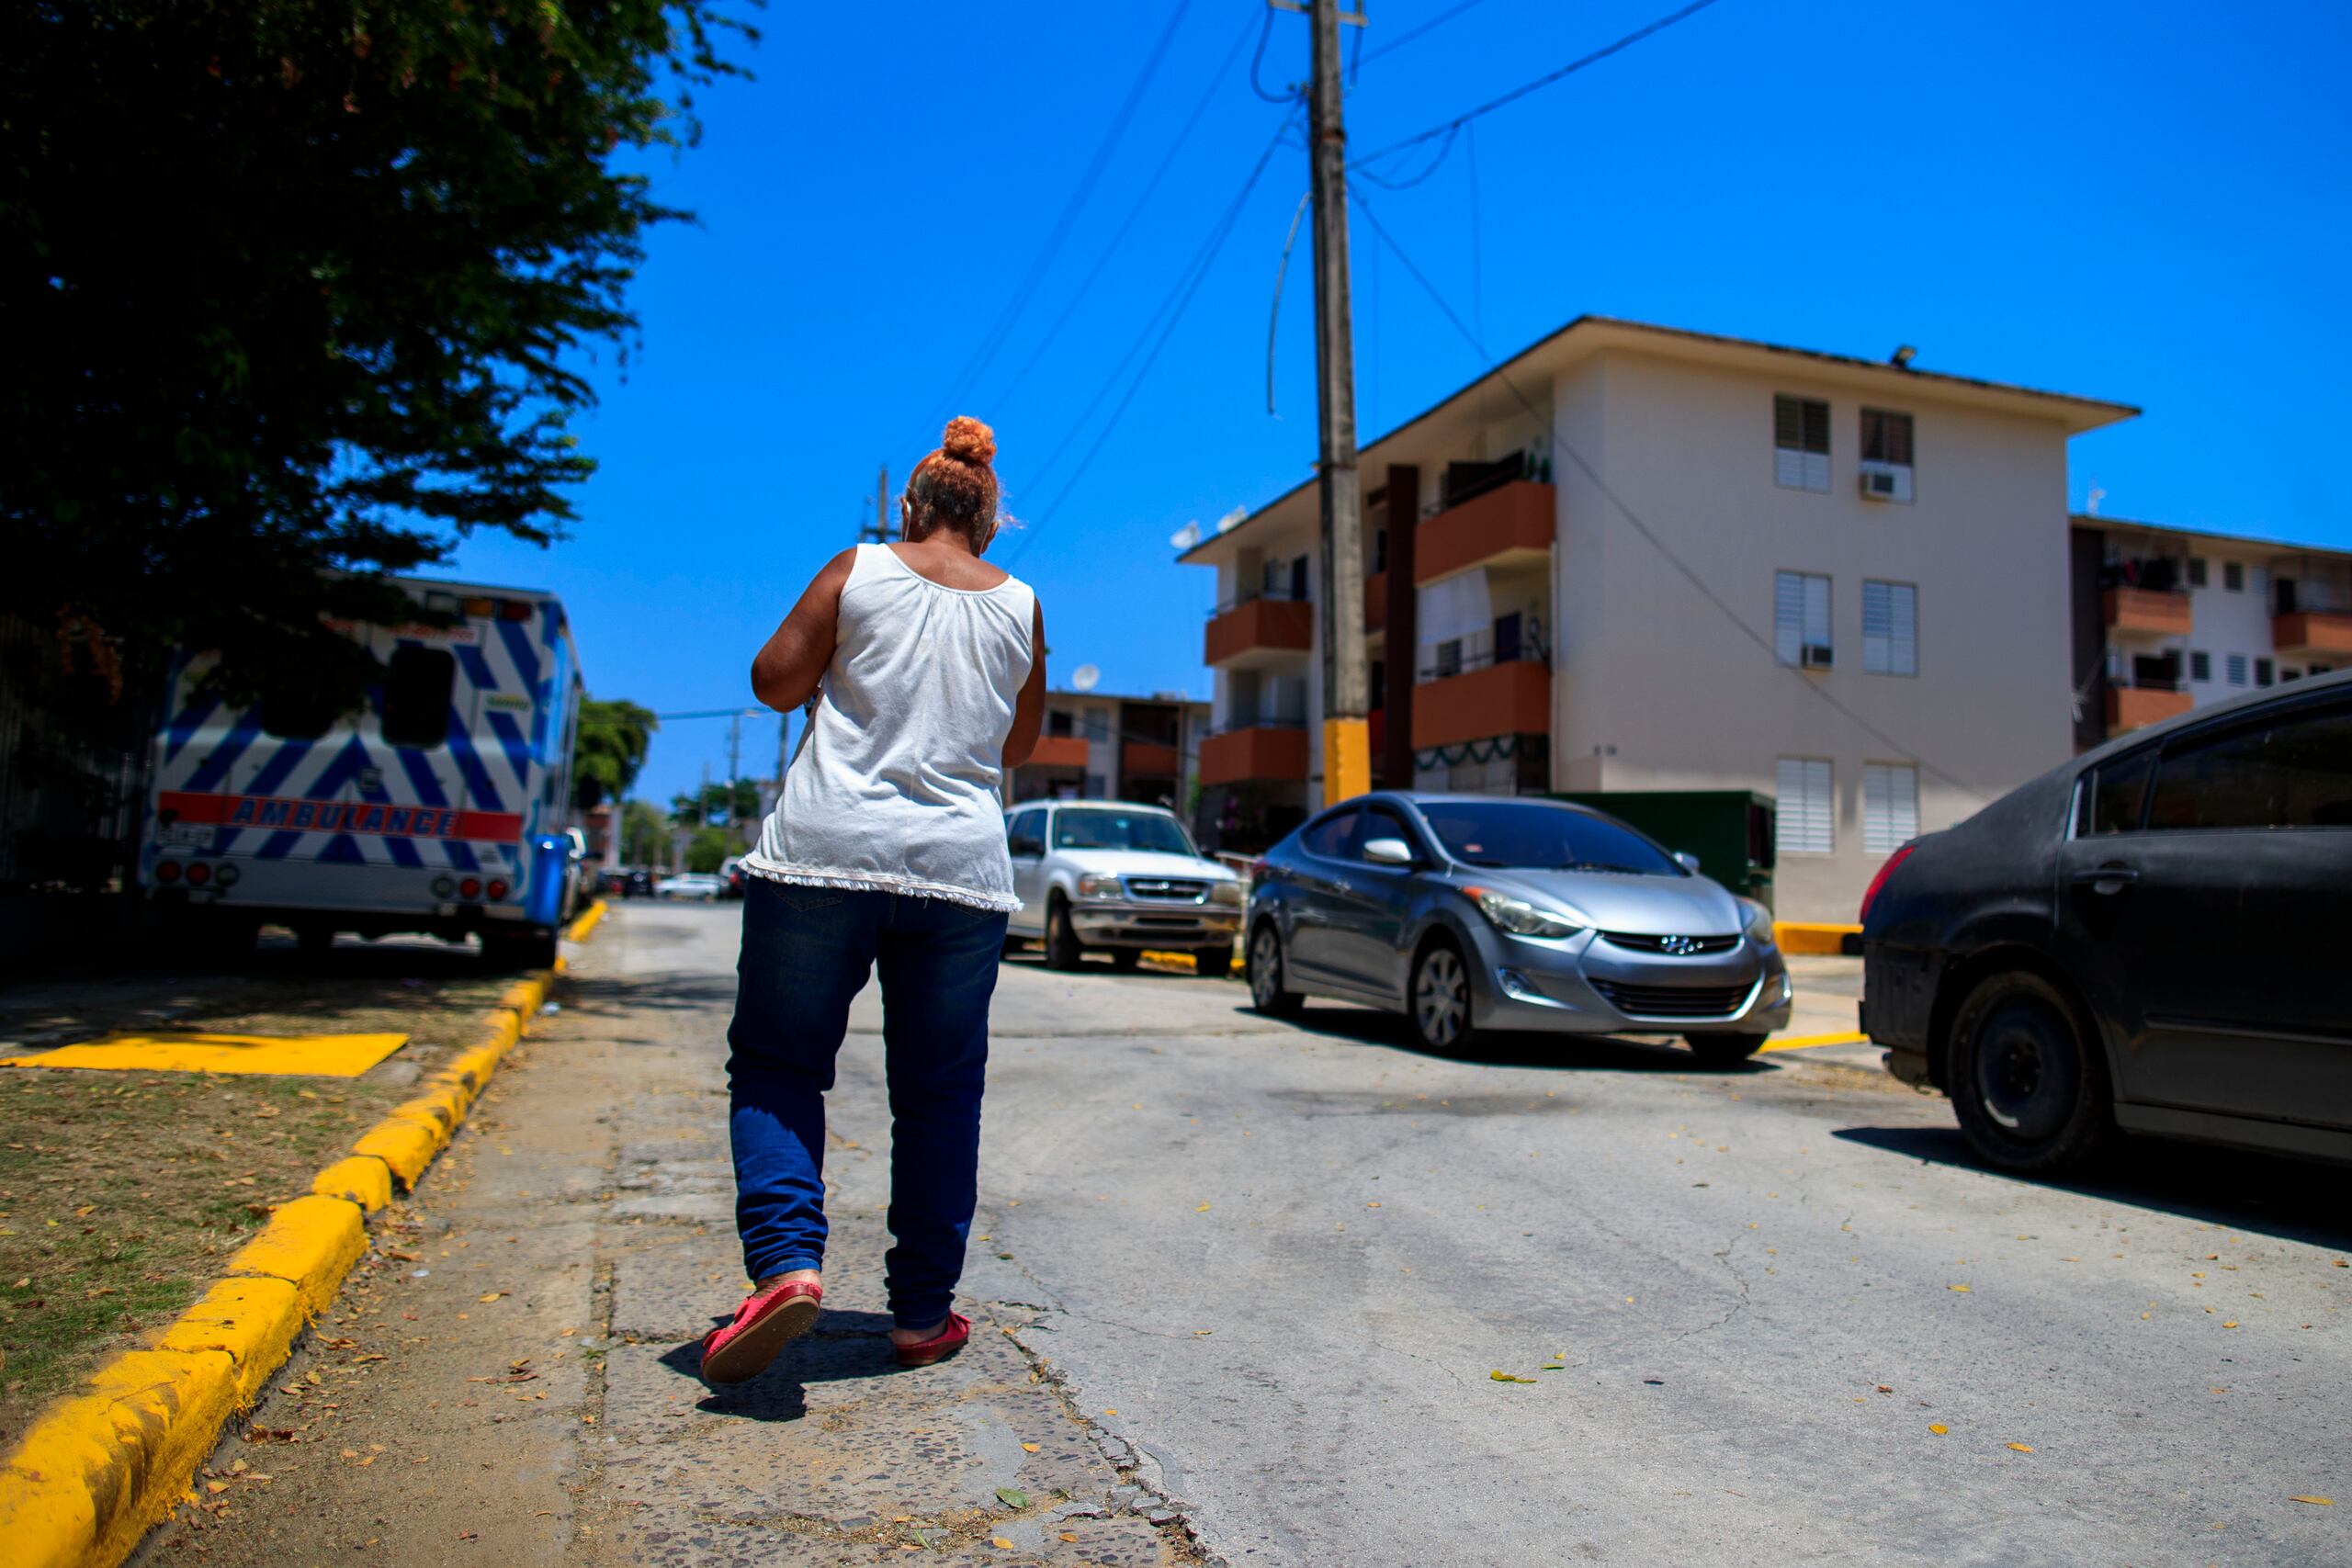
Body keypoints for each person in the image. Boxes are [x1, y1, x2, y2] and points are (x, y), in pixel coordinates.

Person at [700, 416, 1046, 1384]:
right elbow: (1016, 747)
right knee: (939, 1098)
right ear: (984, 522)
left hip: (825, 854)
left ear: (911, 506)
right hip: (959, 874)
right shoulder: (1021, 605)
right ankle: (923, 1313)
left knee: (778, 1063)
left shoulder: (857, 569)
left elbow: (774, 682)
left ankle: (786, 1265)